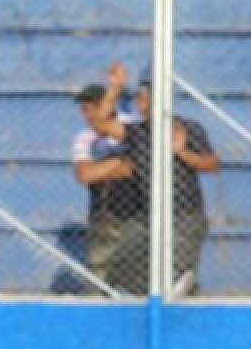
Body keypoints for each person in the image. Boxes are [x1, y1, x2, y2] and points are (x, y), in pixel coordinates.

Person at [94, 62, 221, 296]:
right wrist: (114, 87)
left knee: (178, 279)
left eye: (144, 100)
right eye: (139, 100)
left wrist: (181, 152)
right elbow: (101, 124)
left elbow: (212, 164)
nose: (140, 106)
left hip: (184, 214)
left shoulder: (187, 129)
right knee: (118, 269)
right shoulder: (138, 132)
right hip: (147, 215)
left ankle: (187, 305)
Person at [71, 83, 136, 289]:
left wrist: (100, 169)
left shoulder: (131, 127)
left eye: (91, 109)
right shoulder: (84, 137)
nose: (87, 116)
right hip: (103, 214)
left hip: (137, 214)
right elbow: (84, 175)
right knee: (99, 275)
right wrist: (117, 163)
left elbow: (134, 169)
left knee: (137, 273)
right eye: (84, 111)